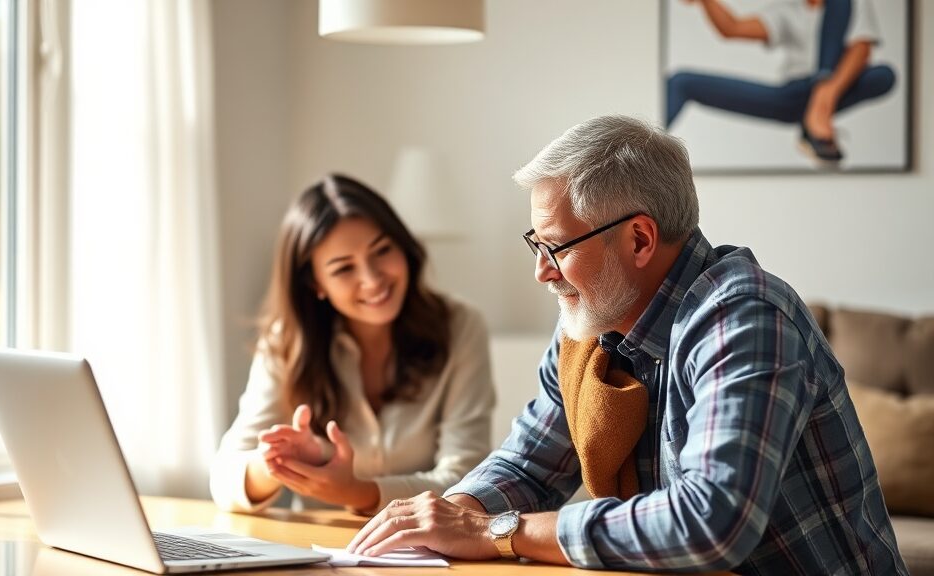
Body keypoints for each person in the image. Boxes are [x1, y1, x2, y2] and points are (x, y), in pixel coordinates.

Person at [347, 116, 907, 573]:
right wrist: (450, 515)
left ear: (639, 238)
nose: (541, 272)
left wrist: (499, 531)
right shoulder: (591, 320)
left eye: (557, 246)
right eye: (534, 244)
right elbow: (529, 466)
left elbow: (712, 524)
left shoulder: (744, 317)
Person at [210, 174, 495, 515]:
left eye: (382, 250)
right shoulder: (286, 341)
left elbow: (469, 482)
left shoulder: (461, 326)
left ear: (403, 246)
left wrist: (357, 492)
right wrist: (279, 460)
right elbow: (225, 479)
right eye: (344, 268)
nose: (373, 279)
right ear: (316, 282)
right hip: (322, 555)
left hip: (433, 554)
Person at [667, 0, 896, 164]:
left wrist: (826, 95)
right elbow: (732, 28)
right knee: (680, 82)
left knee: (883, 75)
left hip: (837, 85)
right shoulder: (789, 11)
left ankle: (819, 106)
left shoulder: (852, 5)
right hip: (791, 96)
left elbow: (861, 49)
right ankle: (633, 149)